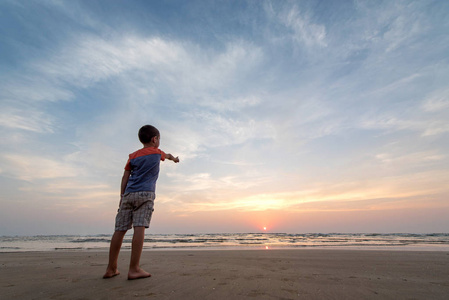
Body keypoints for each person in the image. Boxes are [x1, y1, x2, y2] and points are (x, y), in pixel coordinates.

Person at [103, 125, 179, 280]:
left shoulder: (132, 156)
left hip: (128, 194)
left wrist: (122, 196)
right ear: (154, 139)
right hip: (146, 194)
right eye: (159, 139)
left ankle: (111, 268)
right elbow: (169, 155)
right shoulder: (157, 152)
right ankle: (134, 269)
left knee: (120, 230)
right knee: (139, 227)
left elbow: (125, 176)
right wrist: (175, 159)